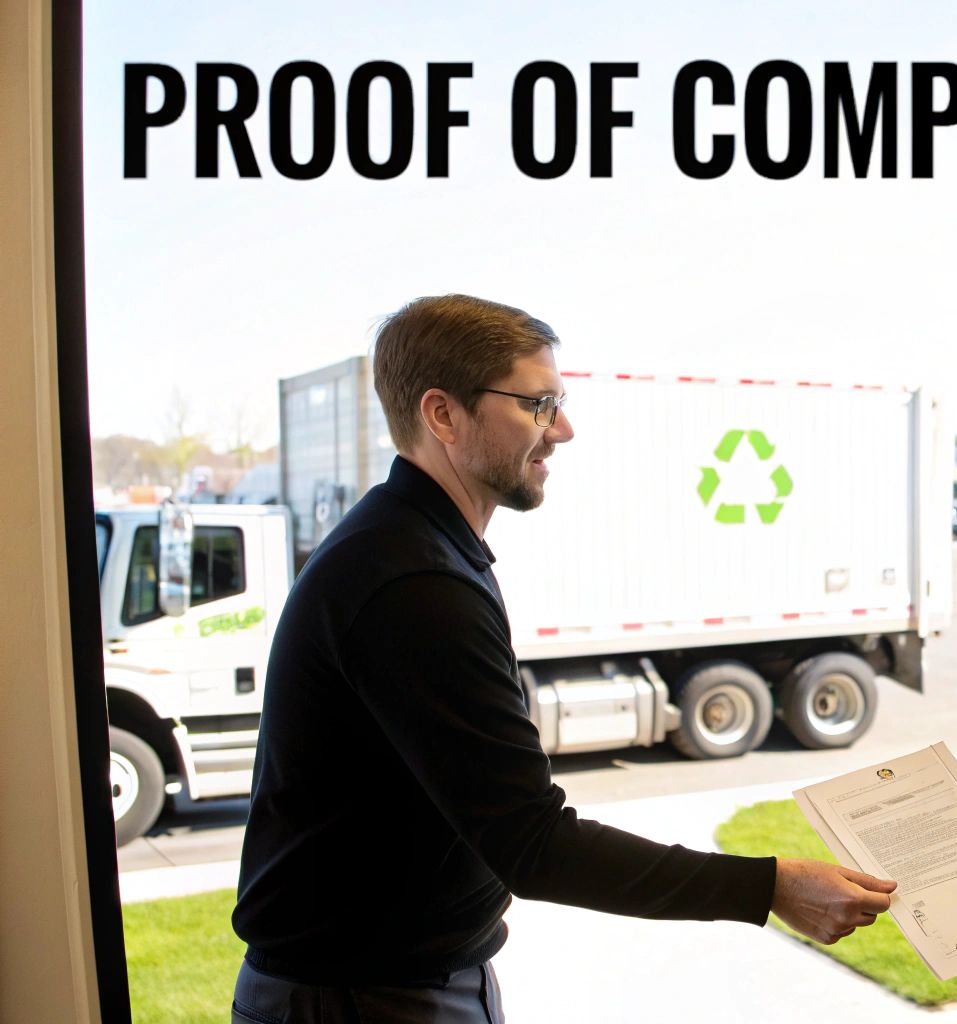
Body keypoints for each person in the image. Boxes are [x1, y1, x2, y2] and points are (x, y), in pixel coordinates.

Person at [232, 295, 894, 1022]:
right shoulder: (412, 581)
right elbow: (533, 843)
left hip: (401, 982)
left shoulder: (418, 544)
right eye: (538, 405)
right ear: (443, 415)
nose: (563, 430)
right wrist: (768, 886)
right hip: (364, 1002)